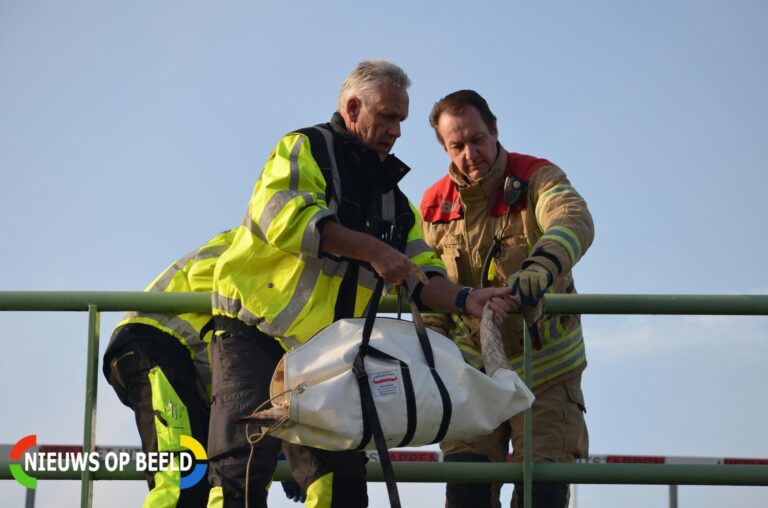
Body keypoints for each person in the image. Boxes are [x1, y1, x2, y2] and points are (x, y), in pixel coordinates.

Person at [207, 61, 514, 508]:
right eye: (388, 117)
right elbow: (285, 218)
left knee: (342, 486)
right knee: (240, 471)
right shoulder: (304, 148)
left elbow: (421, 274)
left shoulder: (394, 200)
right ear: (353, 108)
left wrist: (468, 299)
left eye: (402, 120)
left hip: (328, 354)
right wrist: (375, 251)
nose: (397, 131)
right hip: (255, 333)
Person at [420, 90, 594, 508]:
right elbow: (427, 290)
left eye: (477, 139)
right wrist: (432, 358)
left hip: (547, 372)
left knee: (543, 494)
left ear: (495, 130)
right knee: (467, 495)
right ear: (444, 148)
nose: (470, 154)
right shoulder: (432, 206)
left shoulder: (537, 177)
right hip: (471, 376)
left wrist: (540, 268)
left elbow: (573, 217)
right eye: (456, 146)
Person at [103, 229, 234, 507]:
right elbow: (208, 277)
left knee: (198, 484)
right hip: (152, 345)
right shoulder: (250, 243)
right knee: (179, 483)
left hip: (167, 357)